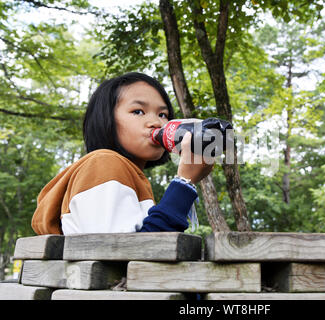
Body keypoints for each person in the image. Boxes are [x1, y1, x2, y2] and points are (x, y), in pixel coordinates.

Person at [31, 72, 213, 235]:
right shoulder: (104, 164)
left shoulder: (128, 176)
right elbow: (126, 253)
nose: (156, 122)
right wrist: (184, 183)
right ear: (106, 119)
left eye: (163, 114)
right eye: (138, 111)